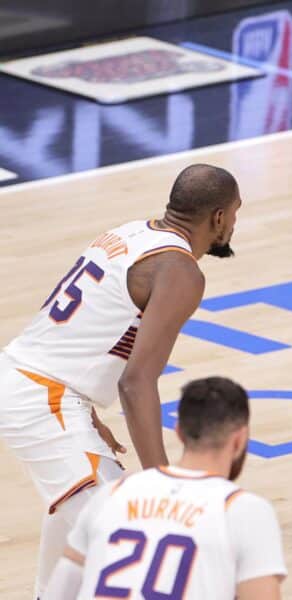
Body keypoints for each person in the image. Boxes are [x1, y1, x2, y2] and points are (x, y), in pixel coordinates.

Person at [0, 163, 241, 597]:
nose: (234, 225)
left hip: (35, 384)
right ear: (219, 217)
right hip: (44, 400)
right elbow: (136, 383)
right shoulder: (182, 271)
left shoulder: (130, 233)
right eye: (236, 213)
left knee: (82, 523)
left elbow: (76, 329)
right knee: (143, 533)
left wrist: (87, 412)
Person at [44, 376, 287, 600]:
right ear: (240, 438)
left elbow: (59, 592)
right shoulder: (244, 510)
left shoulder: (111, 495)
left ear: (179, 433)